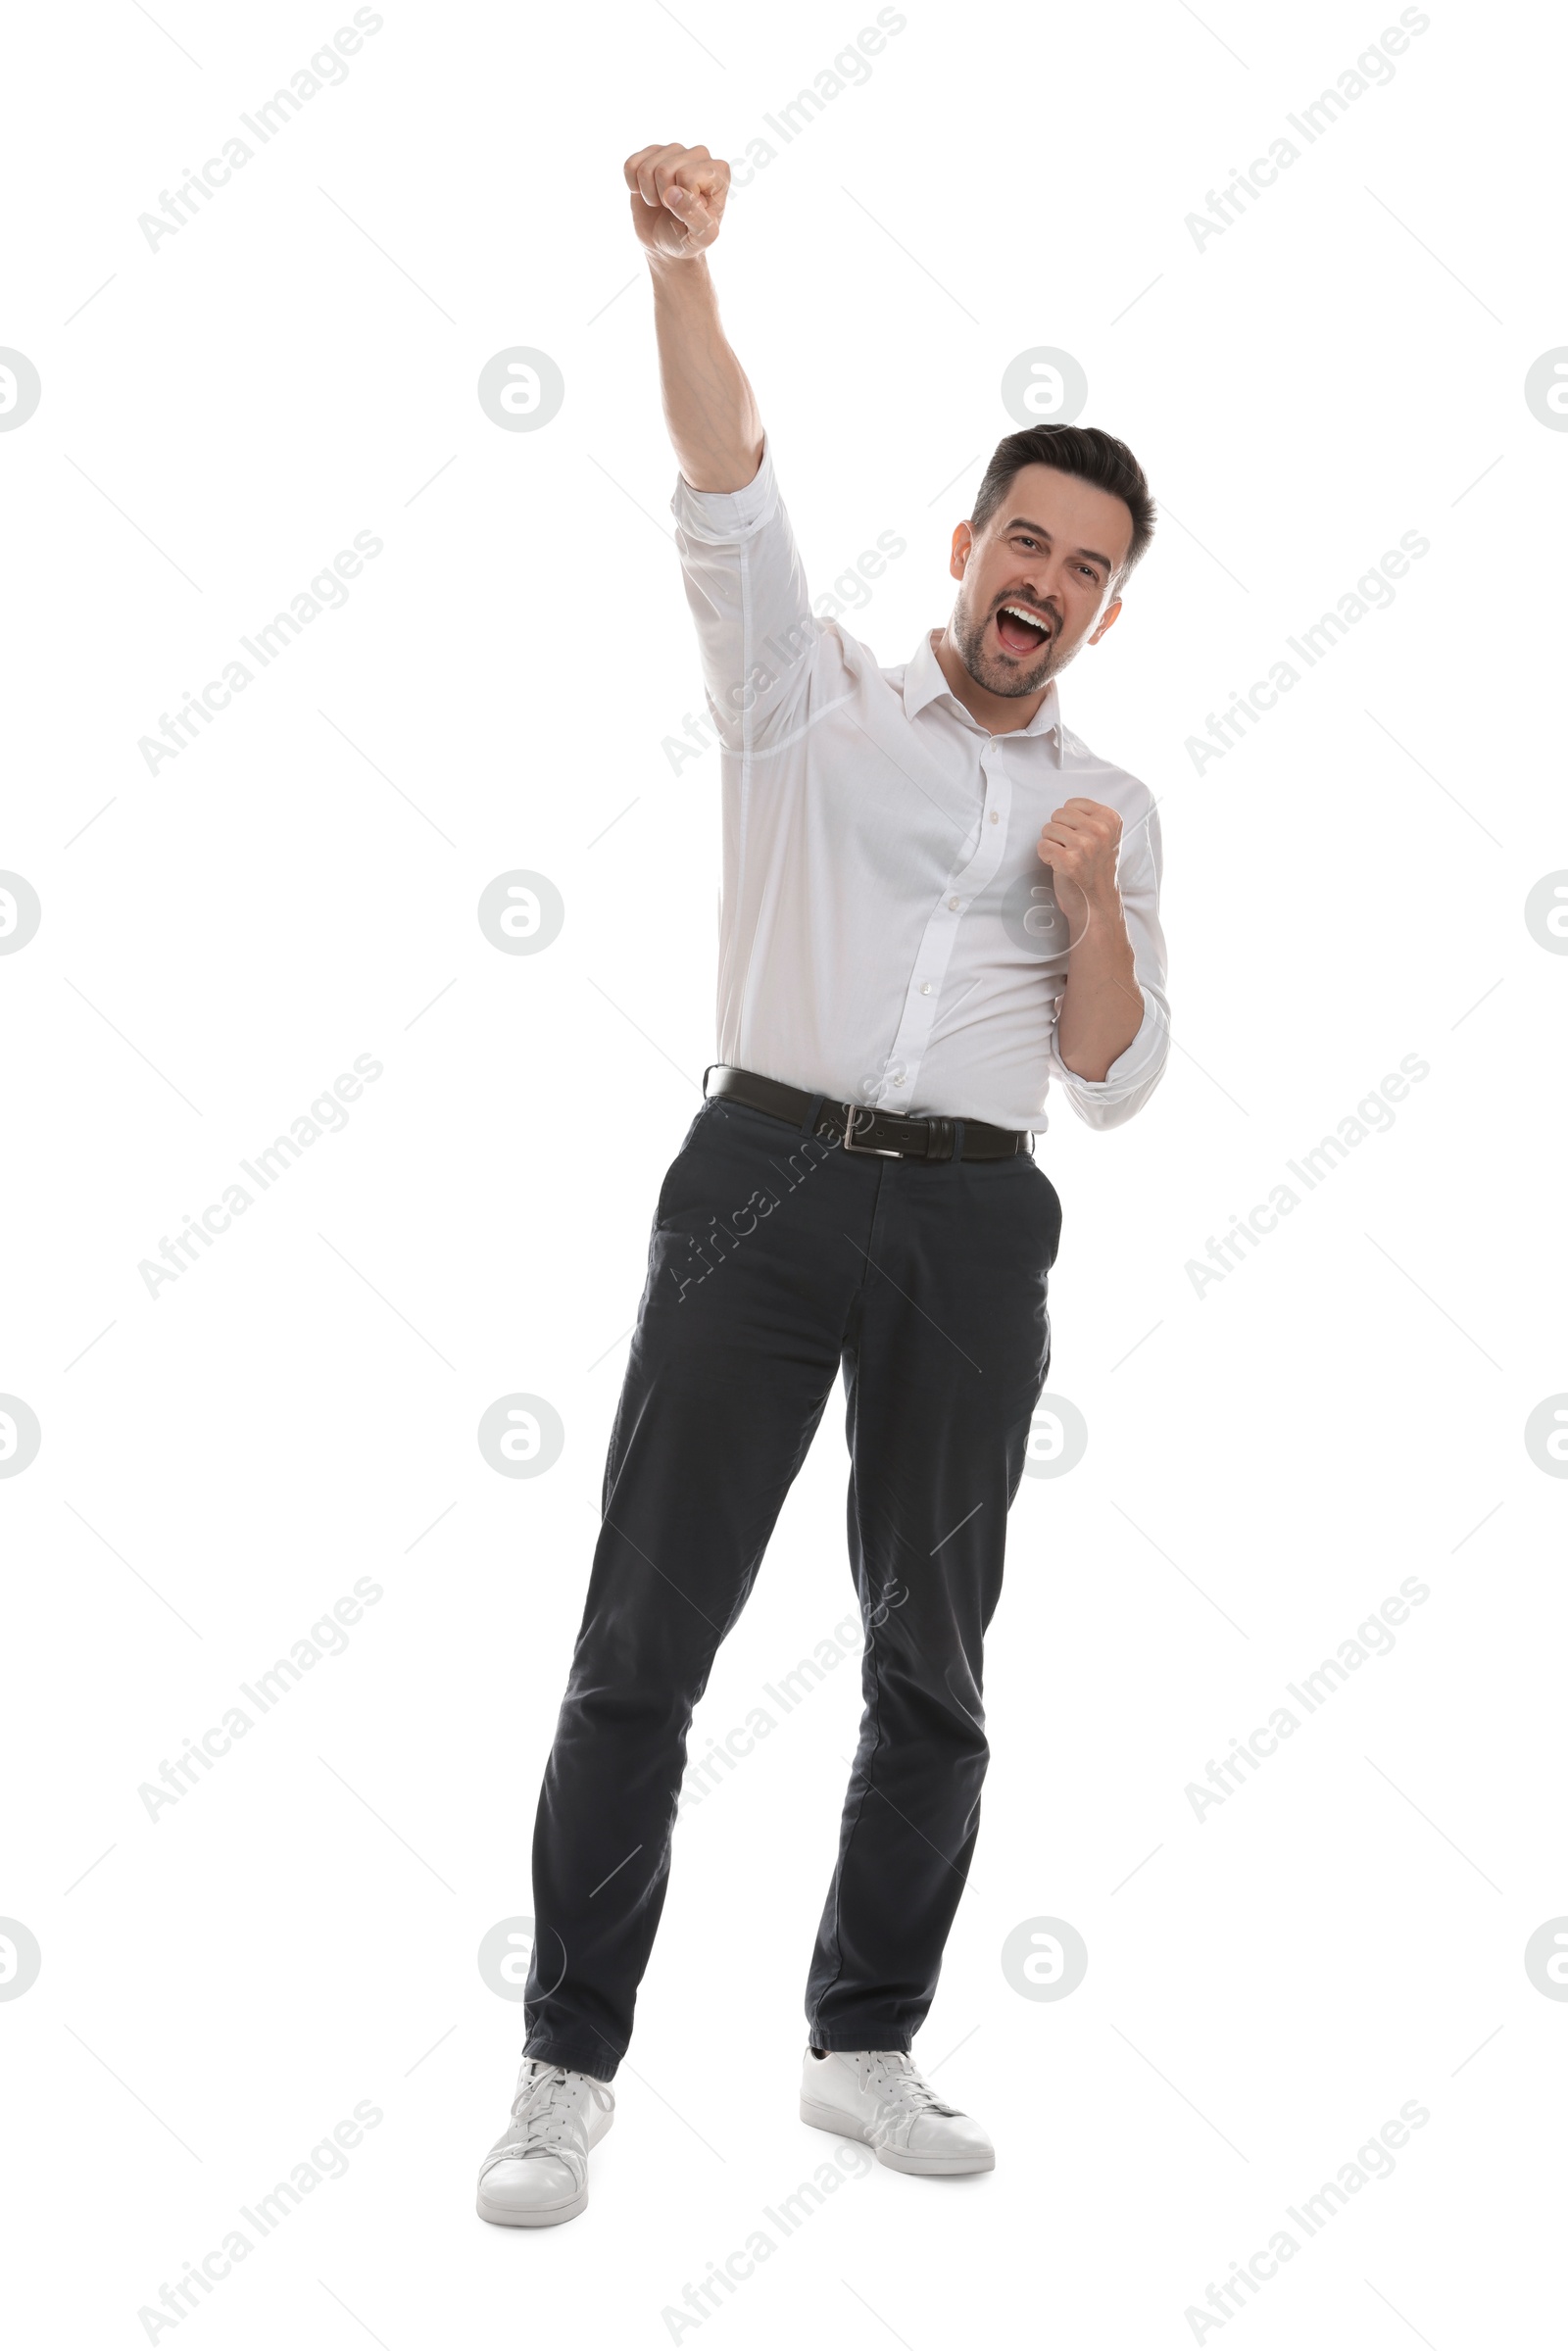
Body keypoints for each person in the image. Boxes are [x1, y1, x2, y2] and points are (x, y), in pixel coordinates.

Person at [476, 140, 1170, 2229]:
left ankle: (859, 2047)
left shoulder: (1111, 805)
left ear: (1111, 605)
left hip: (975, 1222)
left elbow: (1119, 1076)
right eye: (1019, 540)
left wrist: (1087, 907)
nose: (1038, 581)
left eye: (1083, 565)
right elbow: (730, 485)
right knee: (642, 1647)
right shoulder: (806, 698)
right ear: (965, 545)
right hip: (762, 1186)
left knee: (931, 1660)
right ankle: (560, 2074)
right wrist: (683, 270)